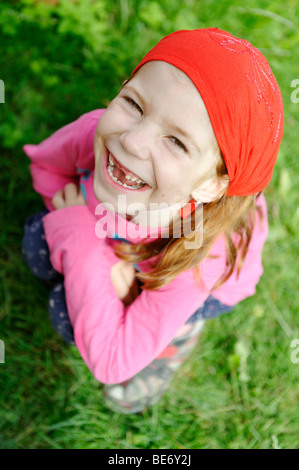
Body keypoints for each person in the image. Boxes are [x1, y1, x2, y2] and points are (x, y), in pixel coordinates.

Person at [22, 28, 284, 414]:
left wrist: (80, 237)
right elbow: (46, 166)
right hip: (112, 242)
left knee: (66, 313)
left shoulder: (202, 256)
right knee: (37, 244)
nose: (132, 141)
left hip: (177, 274)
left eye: (176, 142)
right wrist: (101, 258)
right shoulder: (97, 134)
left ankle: (174, 336)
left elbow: (111, 362)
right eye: (134, 104)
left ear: (212, 185)